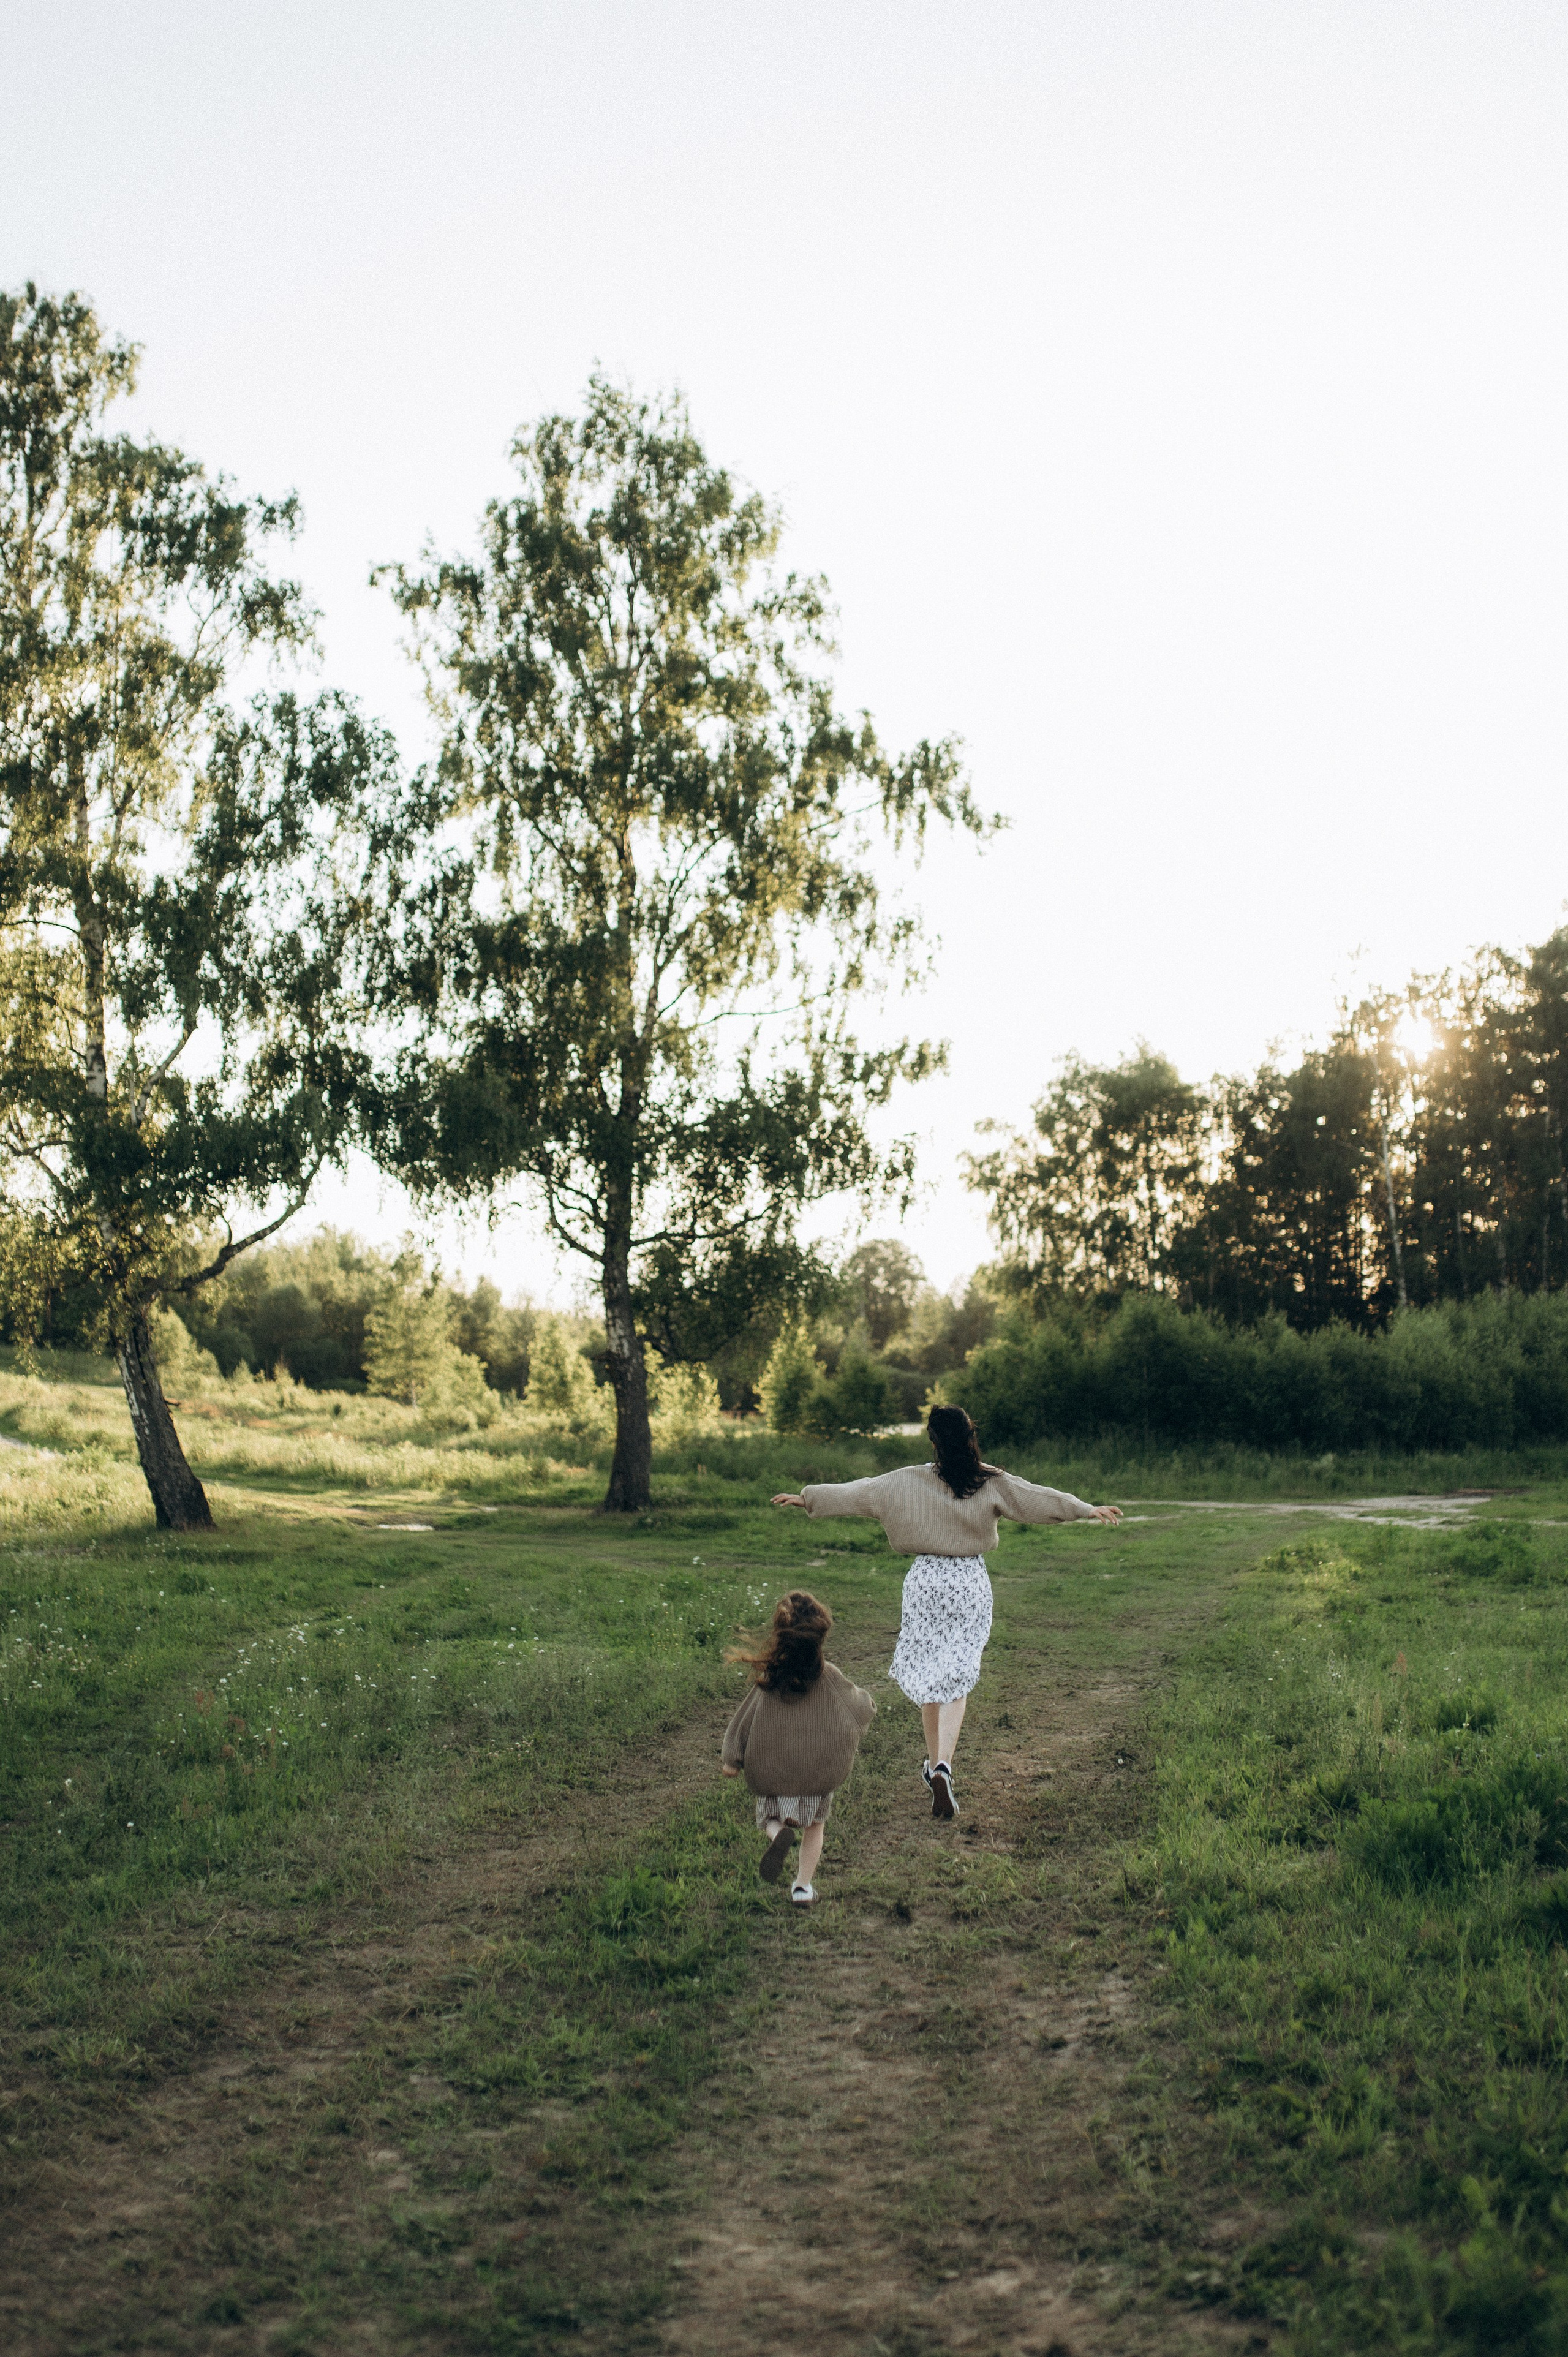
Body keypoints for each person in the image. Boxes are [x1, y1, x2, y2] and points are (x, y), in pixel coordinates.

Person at [771, 1403, 1121, 1822]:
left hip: (925, 1581)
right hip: (968, 1581)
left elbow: (859, 1492)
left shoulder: (905, 1481)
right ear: (970, 1436)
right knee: (957, 1670)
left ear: (933, 1441)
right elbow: (1035, 1498)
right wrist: (1084, 1508)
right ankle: (942, 1766)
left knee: (932, 1668)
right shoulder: (987, 1480)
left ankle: (934, 1762)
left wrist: (807, 1497)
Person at [721, 1589, 876, 1907]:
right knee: (815, 1826)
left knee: (769, 1818)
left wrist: (731, 1760)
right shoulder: (829, 1676)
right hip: (815, 1778)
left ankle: (778, 1833)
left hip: (774, 1774)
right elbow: (862, 1708)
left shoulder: (772, 1679)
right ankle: (803, 1887)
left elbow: (743, 1721)